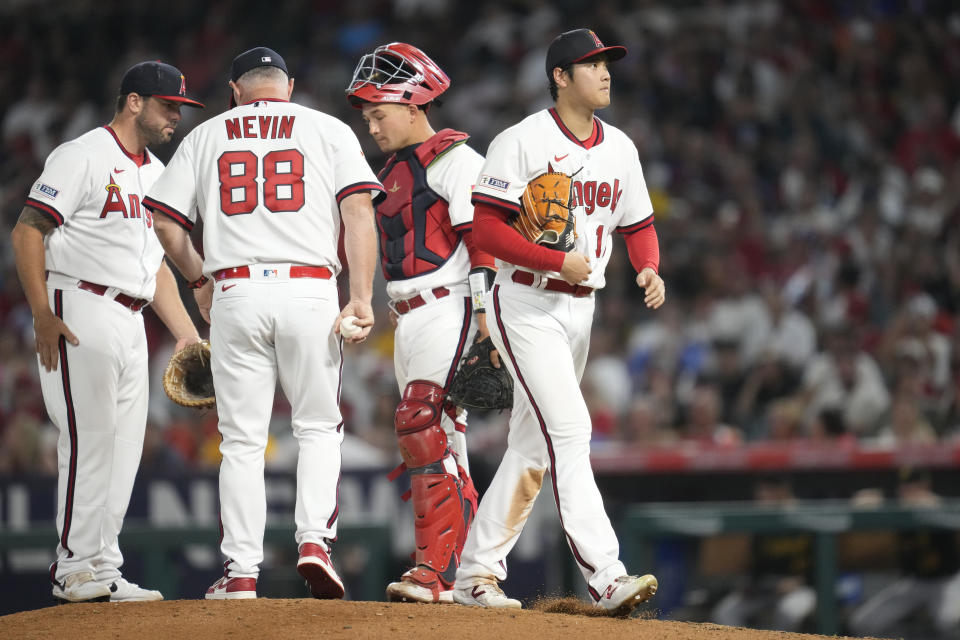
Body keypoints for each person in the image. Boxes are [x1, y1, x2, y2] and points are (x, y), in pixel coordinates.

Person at [143, 47, 382, 600]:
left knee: (242, 442)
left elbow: (164, 222)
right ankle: (316, 542)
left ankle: (242, 572)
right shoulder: (326, 129)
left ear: (235, 90)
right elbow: (358, 211)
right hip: (308, 289)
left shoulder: (206, 135)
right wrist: (363, 296)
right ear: (289, 86)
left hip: (236, 289)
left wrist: (199, 280)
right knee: (319, 426)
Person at [451, 29, 666, 614]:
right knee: (570, 429)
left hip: (581, 306)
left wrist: (648, 267)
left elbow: (638, 225)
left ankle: (474, 574)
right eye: (591, 65)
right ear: (559, 76)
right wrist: (553, 259)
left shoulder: (620, 147)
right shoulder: (520, 140)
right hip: (524, 300)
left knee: (531, 446)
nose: (605, 73)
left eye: (607, 65)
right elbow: (487, 230)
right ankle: (605, 575)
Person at [10, 61, 205, 603]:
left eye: (179, 109)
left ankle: (102, 565)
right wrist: (41, 313)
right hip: (80, 304)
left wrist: (186, 333)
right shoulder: (82, 155)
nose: (175, 117)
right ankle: (72, 567)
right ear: (134, 102)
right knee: (89, 441)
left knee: (124, 450)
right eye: (169, 106)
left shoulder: (156, 172)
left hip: (132, 314)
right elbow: (28, 230)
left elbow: (157, 264)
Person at [345, 42, 494, 604]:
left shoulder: (456, 159)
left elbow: (480, 242)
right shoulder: (391, 171)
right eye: (367, 117)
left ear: (414, 105)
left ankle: (436, 571)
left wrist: (484, 319)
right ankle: (468, 570)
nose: (372, 125)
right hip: (407, 315)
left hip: (449, 302)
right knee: (439, 440)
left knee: (420, 421)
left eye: (379, 113)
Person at [847, 468, 960, 639]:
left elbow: (936, 507)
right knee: (864, 622)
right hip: (915, 582)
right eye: (905, 487)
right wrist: (880, 500)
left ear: (926, 486)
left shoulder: (939, 504)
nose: (909, 491)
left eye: (914, 487)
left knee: (950, 622)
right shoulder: (899, 506)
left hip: (948, 580)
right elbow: (863, 502)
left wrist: (932, 507)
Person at [710, 476, 816, 632]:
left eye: (767, 493)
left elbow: (822, 563)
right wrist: (750, 584)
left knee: (788, 612)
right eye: (760, 494)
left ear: (783, 492)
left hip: (802, 587)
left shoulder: (807, 519)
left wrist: (800, 581)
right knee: (726, 611)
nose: (762, 499)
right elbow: (754, 565)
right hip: (766, 589)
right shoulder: (760, 522)